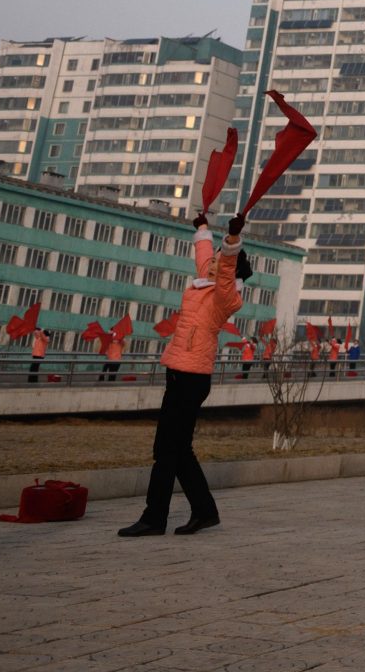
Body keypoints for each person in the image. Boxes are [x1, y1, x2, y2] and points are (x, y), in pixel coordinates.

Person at [119, 213, 245, 537]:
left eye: (221, 261)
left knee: (166, 449)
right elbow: (204, 257)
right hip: (178, 371)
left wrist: (232, 240)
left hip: (192, 377)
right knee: (177, 448)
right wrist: (202, 229)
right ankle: (204, 511)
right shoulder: (205, 282)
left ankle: (154, 517)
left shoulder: (224, 298)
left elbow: (226, 271)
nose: (214, 263)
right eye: (215, 259)